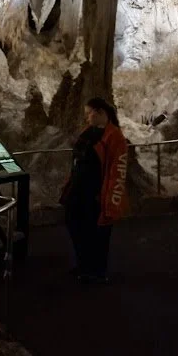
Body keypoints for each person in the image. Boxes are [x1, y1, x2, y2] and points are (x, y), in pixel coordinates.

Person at [59, 97, 129, 283]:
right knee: (75, 224)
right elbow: (77, 160)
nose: (87, 117)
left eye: (89, 113)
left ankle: (97, 271)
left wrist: (110, 197)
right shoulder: (88, 131)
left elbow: (117, 168)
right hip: (78, 189)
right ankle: (84, 263)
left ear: (100, 113)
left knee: (97, 232)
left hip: (97, 193)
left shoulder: (114, 136)